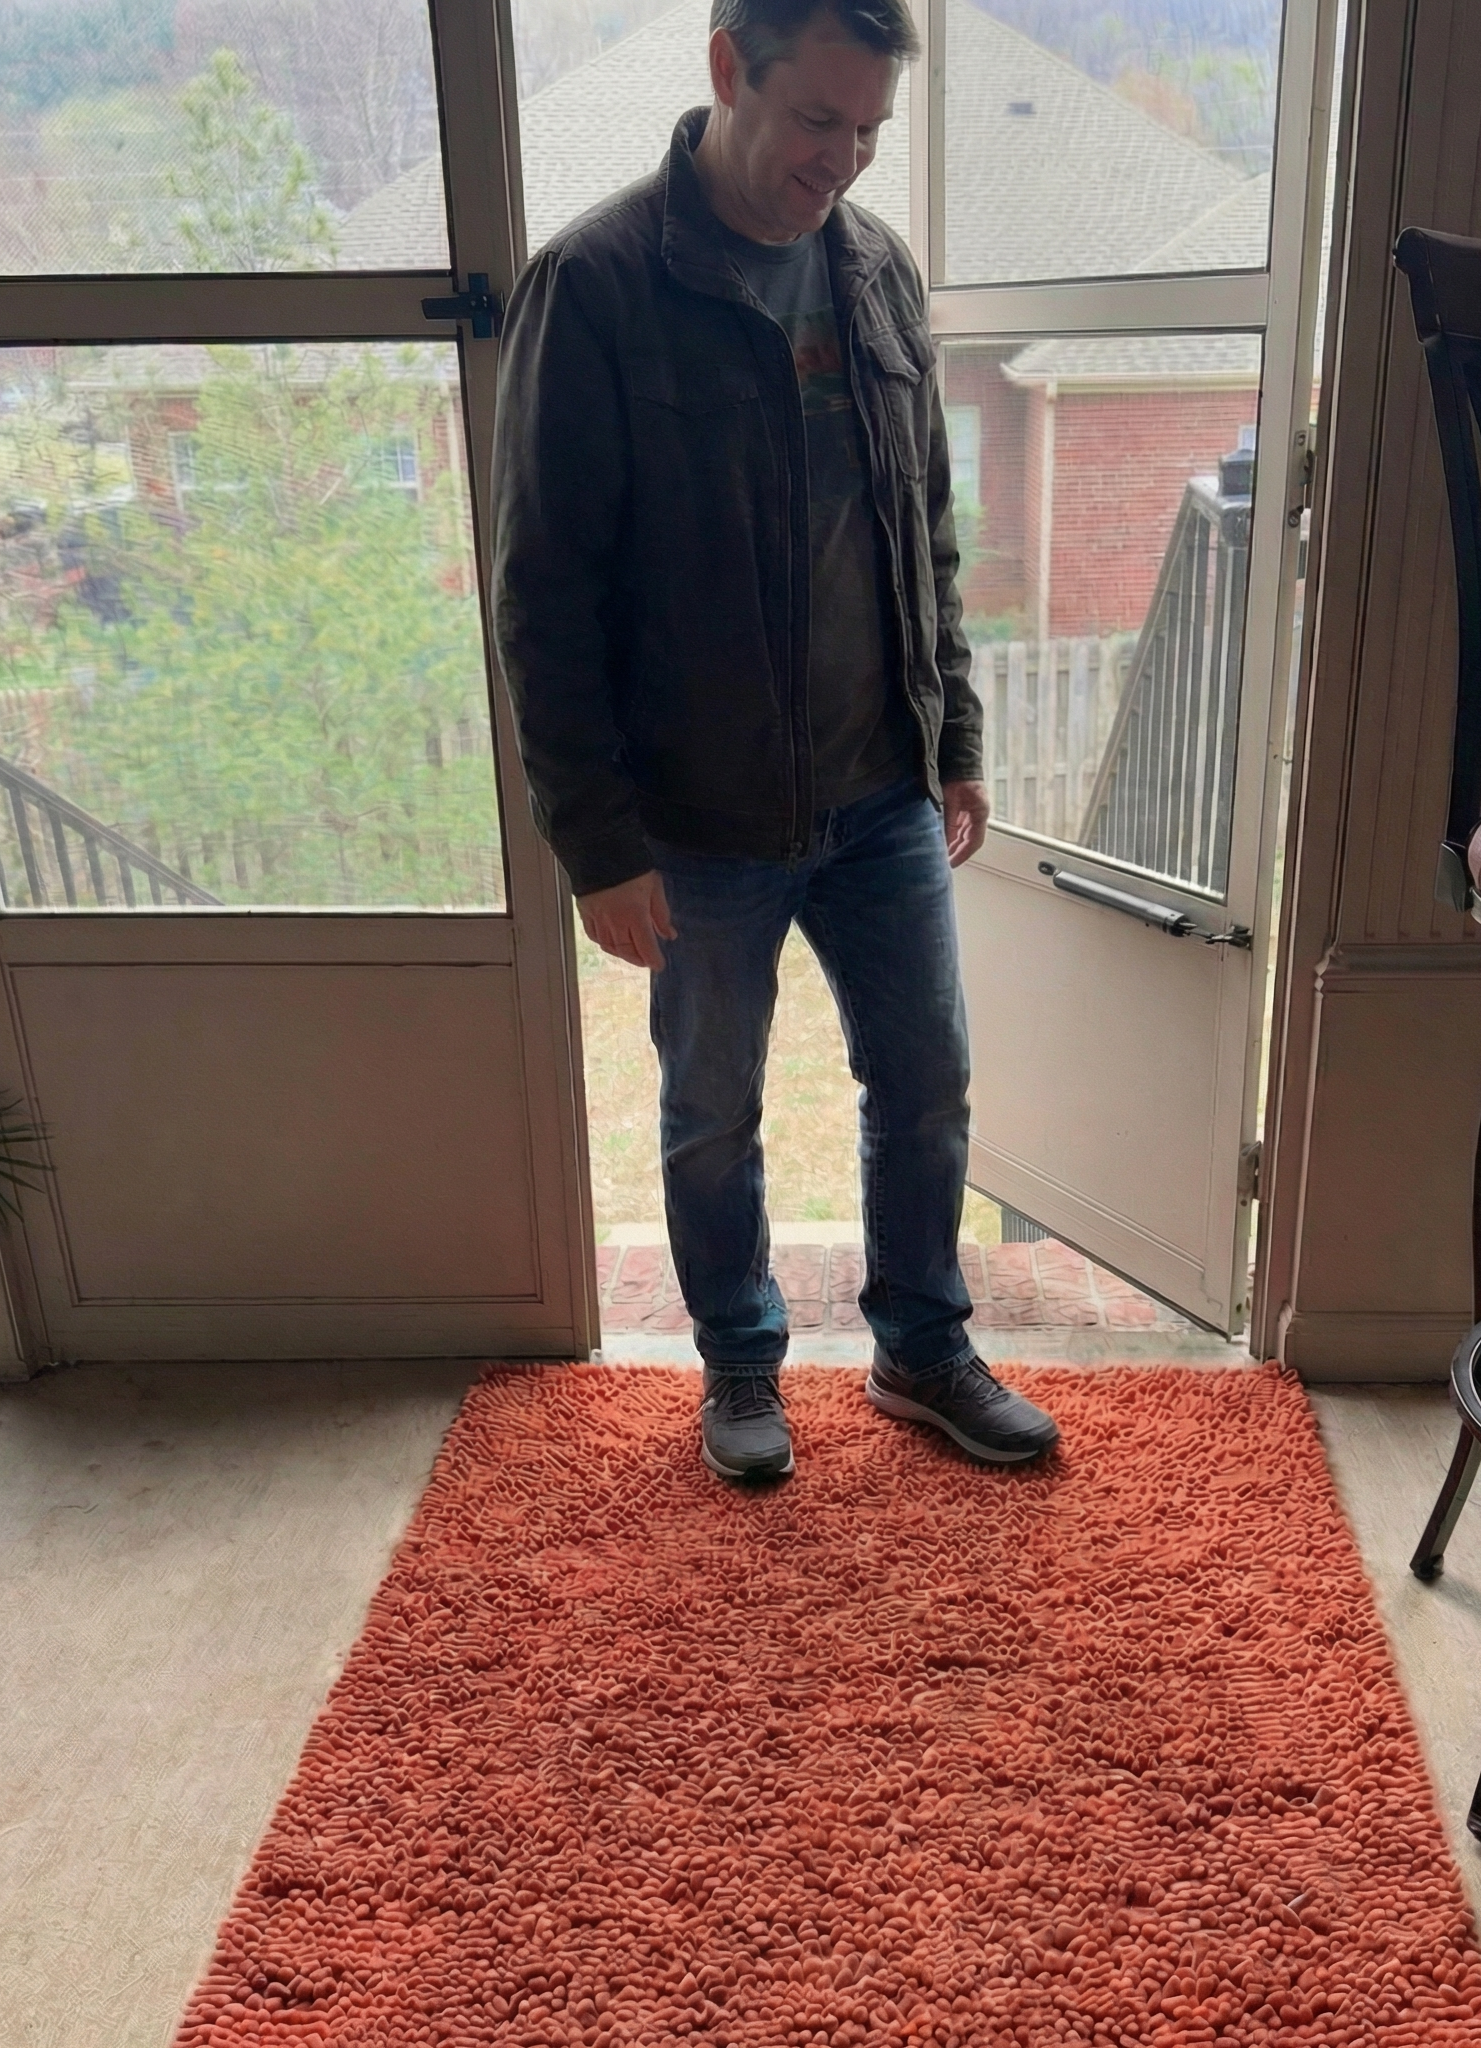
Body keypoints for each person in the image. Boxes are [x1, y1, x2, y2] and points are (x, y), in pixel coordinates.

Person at [492, 0, 1060, 1482]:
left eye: (869, 131)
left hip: (880, 789)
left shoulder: (875, 271)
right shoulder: (598, 284)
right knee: (712, 1110)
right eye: (819, 120)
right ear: (728, 68)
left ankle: (921, 1350)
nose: (845, 161)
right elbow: (544, 598)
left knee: (926, 1082)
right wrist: (598, 846)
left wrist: (957, 736)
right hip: (696, 816)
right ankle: (741, 1365)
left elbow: (923, 527)